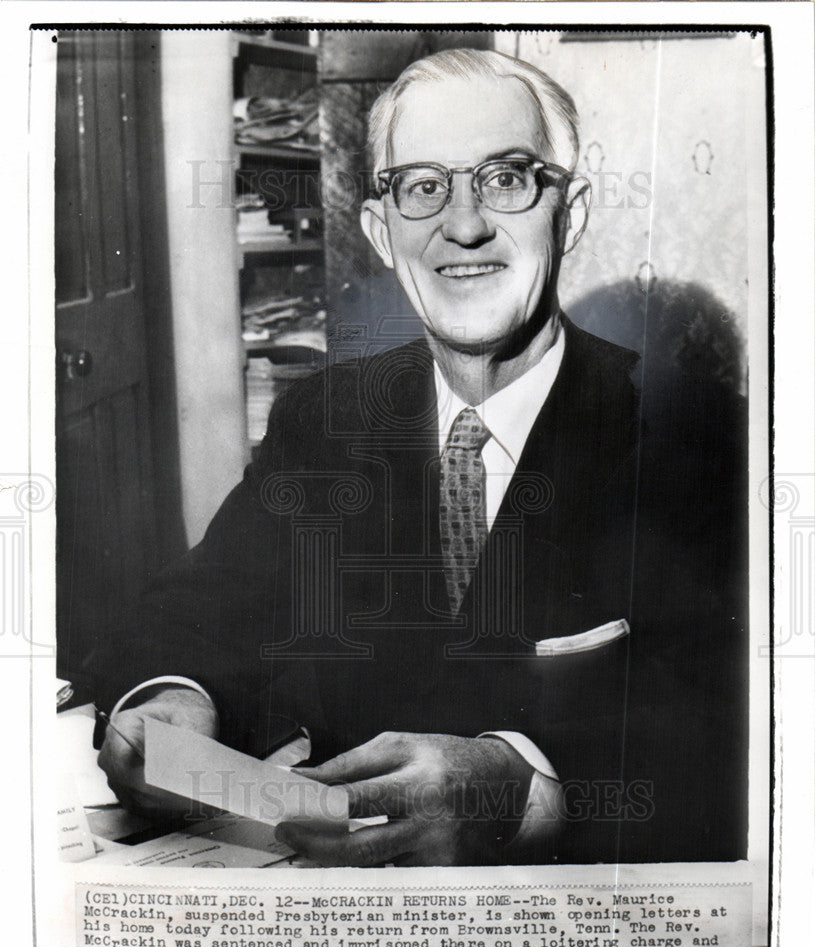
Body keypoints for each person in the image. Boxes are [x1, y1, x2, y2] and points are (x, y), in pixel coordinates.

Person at [95, 48, 747, 866]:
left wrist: (525, 791)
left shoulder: (700, 445)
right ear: (380, 231)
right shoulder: (326, 418)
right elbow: (198, 605)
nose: (463, 224)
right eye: (423, 186)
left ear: (569, 214)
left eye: (505, 178)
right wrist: (165, 699)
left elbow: (733, 735)